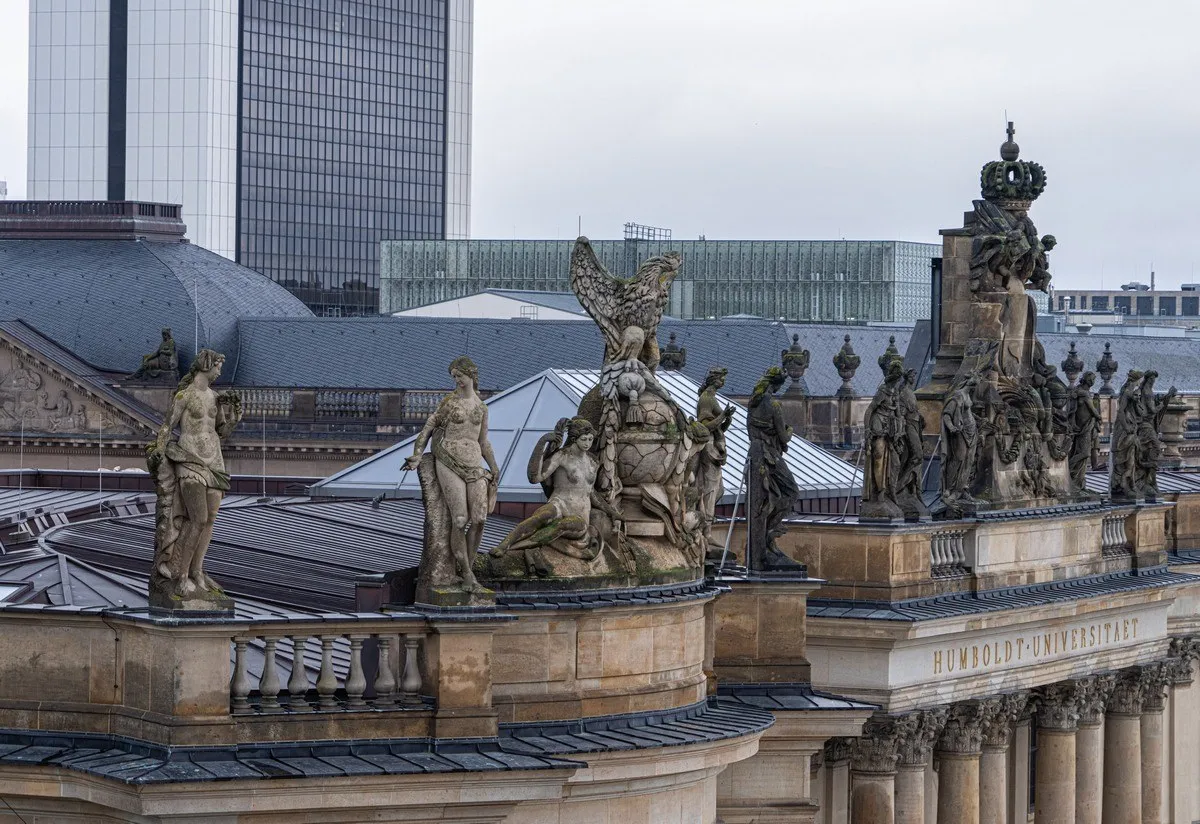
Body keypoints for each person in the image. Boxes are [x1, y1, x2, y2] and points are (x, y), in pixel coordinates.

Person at [149, 349, 242, 599]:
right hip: (190, 460)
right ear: (207, 365)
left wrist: (234, 416)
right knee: (197, 518)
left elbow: (221, 431)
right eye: (218, 366)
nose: (220, 371)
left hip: (215, 462)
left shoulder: (215, 397)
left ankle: (197, 571)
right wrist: (158, 452)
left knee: (209, 519)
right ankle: (181, 575)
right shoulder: (185, 395)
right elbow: (167, 427)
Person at [404, 356, 498, 591]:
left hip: (474, 463)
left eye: (460, 376)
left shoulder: (481, 407)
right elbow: (429, 426)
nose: (457, 381)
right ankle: (466, 573)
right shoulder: (450, 402)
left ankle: (468, 564)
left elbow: (484, 442)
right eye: (454, 377)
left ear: (471, 376)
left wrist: (494, 467)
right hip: (448, 459)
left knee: (480, 519)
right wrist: (417, 454)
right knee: (460, 519)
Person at [490, 418, 623, 576]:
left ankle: (518, 547)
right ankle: (504, 545)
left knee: (560, 526)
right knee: (540, 516)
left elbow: (591, 493)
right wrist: (542, 442)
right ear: (574, 439)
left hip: (579, 514)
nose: (588, 443)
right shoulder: (562, 456)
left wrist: (611, 511)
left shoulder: (593, 461)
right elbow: (535, 477)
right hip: (559, 503)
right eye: (584, 439)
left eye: (590, 439)